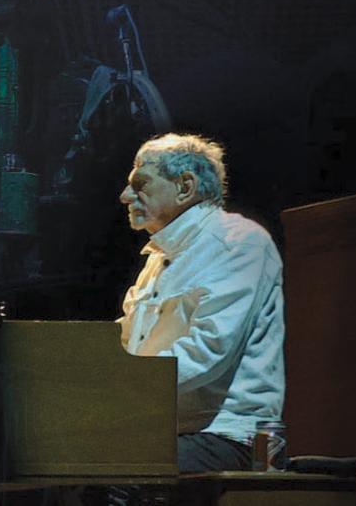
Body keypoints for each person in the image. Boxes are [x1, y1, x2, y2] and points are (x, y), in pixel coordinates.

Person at [115, 133, 285, 472]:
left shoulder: (238, 243)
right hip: (162, 433)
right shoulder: (156, 261)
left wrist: (117, 389)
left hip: (228, 437)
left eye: (140, 184)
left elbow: (206, 349)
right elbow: (126, 344)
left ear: (185, 186)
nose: (125, 196)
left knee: (108, 470)